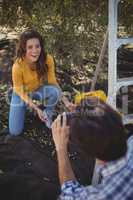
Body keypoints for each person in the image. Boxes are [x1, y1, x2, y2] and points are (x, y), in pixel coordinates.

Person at [51, 97, 133, 200]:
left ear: (87, 152)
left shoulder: (101, 196)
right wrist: (89, 117)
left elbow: (69, 192)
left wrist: (61, 148)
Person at [9, 29, 75, 136]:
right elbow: (19, 91)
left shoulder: (47, 59)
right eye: (30, 47)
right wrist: (35, 108)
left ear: (41, 46)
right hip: (21, 94)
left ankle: (47, 114)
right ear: (23, 48)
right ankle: (25, 108)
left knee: (54, 91)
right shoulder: (17, 66)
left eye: (37, 46)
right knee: (15, 131)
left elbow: (53, 81)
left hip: (37, 90)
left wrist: (66, 102)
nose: (35, 51)